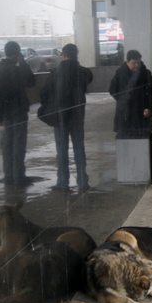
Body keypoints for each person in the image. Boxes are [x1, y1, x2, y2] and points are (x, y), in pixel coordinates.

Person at [40, 42, 93, 191]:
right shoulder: (83, 72)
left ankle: (63, 182)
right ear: (76, 55)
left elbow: (44, 93)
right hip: (77, 116)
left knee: (61, 150)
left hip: (60, 118)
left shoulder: (55, 73)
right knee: (78, 148)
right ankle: (82, 181)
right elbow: (88, 78)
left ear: (63, 55)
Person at [0, 40, 35, 186]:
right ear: (17, 53)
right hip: (19, 111)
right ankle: (18, 176)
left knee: (7, 145)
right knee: (19, 144)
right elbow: (31, 81)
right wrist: (23, 63)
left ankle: (8, 175)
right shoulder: (18, 69)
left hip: (5, 112)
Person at [108, 49, 152, 135]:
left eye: (138, 63)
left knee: (141, 136)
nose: (136, 65)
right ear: (127, 62)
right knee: (125, 137)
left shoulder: (146, 74)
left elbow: (150, 93)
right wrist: (122, 99)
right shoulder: (120, 73)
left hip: (141, 111)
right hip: (125, 111)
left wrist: (149, 107)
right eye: (134, 63)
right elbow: (112, 89)